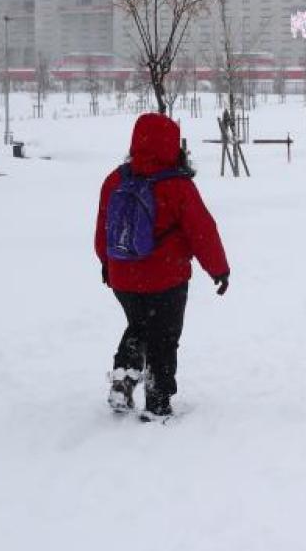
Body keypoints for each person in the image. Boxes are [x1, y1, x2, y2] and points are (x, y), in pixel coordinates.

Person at [95, 113, 230, 420]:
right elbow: (202, 231)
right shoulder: (177, 185)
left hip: (123, 276)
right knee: (164, 338)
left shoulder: (115, 180)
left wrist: (106, 262)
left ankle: (123, 378)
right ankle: (157, 403)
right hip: (166, 277)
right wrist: (218, 270)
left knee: (139, 326)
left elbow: (104, 228)